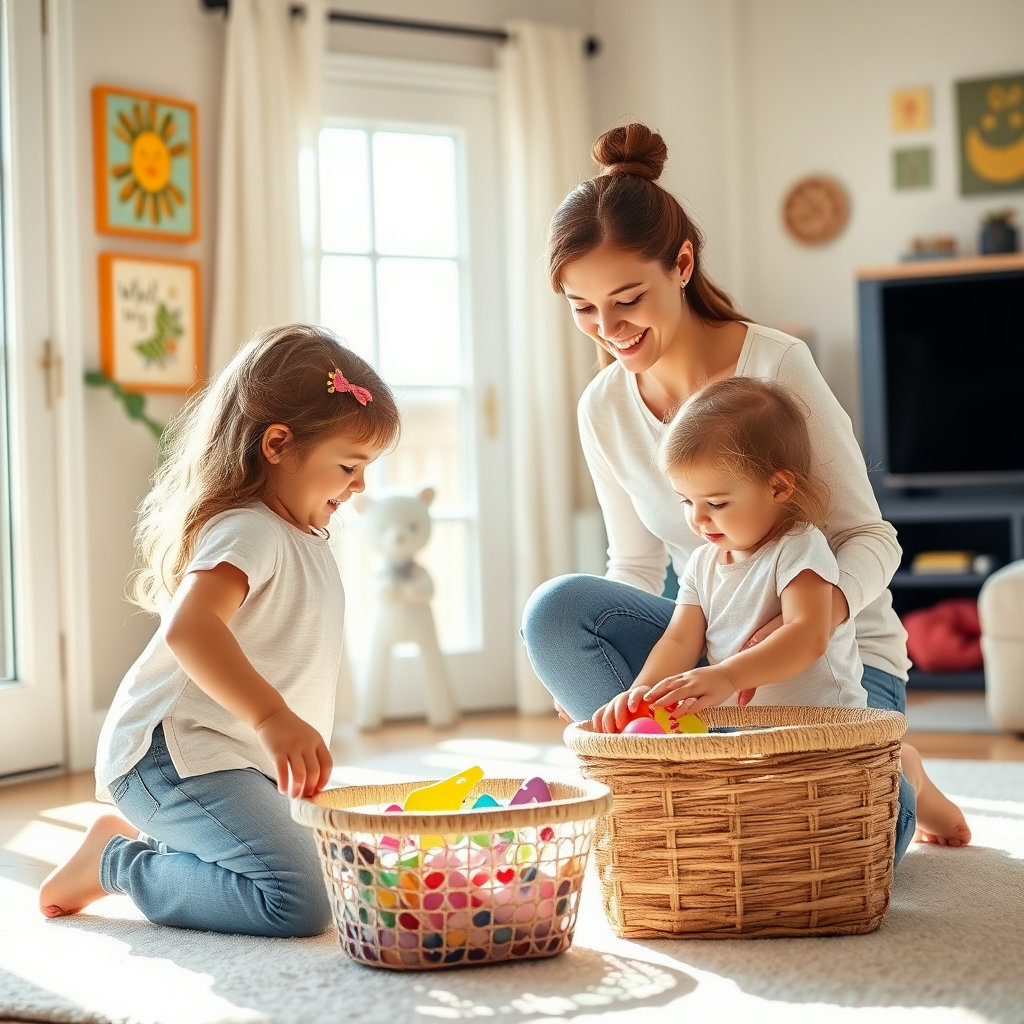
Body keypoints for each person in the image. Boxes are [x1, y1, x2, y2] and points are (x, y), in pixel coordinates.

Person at [520, 122, 970, 859]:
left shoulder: (776, 368)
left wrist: (814, 617)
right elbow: (634, 570)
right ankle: (668, 786)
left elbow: (871, 537)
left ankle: (899, 767)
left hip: (839, 663)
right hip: (716, 650)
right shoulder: (603, 405)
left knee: (856, 849)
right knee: (557, 616)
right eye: (582, 308)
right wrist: (652, 688)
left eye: (628, 298)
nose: (609, 329)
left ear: (683, 264)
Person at [39, 323, 402, 936]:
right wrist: (272, 717)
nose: (361, 484)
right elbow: (191, 627)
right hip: (170, 756)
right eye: (349, 465)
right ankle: (118, 862)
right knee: (297, 902)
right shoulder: (249, 529)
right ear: (279, 444)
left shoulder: (304, 536)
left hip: (227, 760)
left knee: (346, 877)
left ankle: (146, 841)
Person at [591, 376, 867, 733]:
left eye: (717, 503)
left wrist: (727, 675)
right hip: (747, 735)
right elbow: (679, 639)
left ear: (779, 487)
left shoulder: (799, 546)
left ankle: (910, 774)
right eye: (687, 500)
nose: (698, 518)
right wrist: (642, 691)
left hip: (826, 729)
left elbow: (807, 635)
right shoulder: (702, 563)